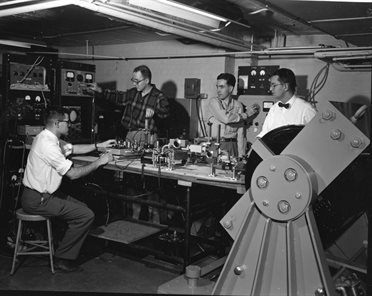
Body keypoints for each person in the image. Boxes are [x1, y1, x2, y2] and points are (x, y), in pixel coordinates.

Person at [21, 106, 117, 272]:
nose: (70, 125)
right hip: (38, 199)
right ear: (58, 124)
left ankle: (63, 246)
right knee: (86, 215)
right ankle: (62, 259)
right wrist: (99, 162)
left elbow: (73, 148)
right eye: (67, 122)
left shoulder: (49, 137)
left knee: (83, 209)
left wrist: (98, 145)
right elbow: (73, 174)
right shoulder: (48, 145)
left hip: (42, 195)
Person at [89, 65, 169, 146]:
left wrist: (155, 112)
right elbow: (118, 96)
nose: (134, 84)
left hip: (148, 137)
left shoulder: (159, 96)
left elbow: (166, 113)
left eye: (137, 81)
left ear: (146, 80)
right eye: (133, 80)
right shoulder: (132, 93)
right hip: (130, 135)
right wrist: (100, 90)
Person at [209, 73, 260, 159]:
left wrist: (242, 156)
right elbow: (226, 118)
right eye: (217, 87)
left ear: (230, 88)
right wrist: (246, 114)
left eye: (221, 87)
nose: (218, 90)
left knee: (231, 171)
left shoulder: (238, 105)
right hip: (216, 145)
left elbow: (241, 134)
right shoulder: (214, 102)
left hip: (232, 146)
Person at [257, 68, 317, 138]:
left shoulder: (306, 109)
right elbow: (264, 133)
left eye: (274, 85)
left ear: (285, 86)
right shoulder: (273, 109)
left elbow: (316, 136)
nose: (270, 89)